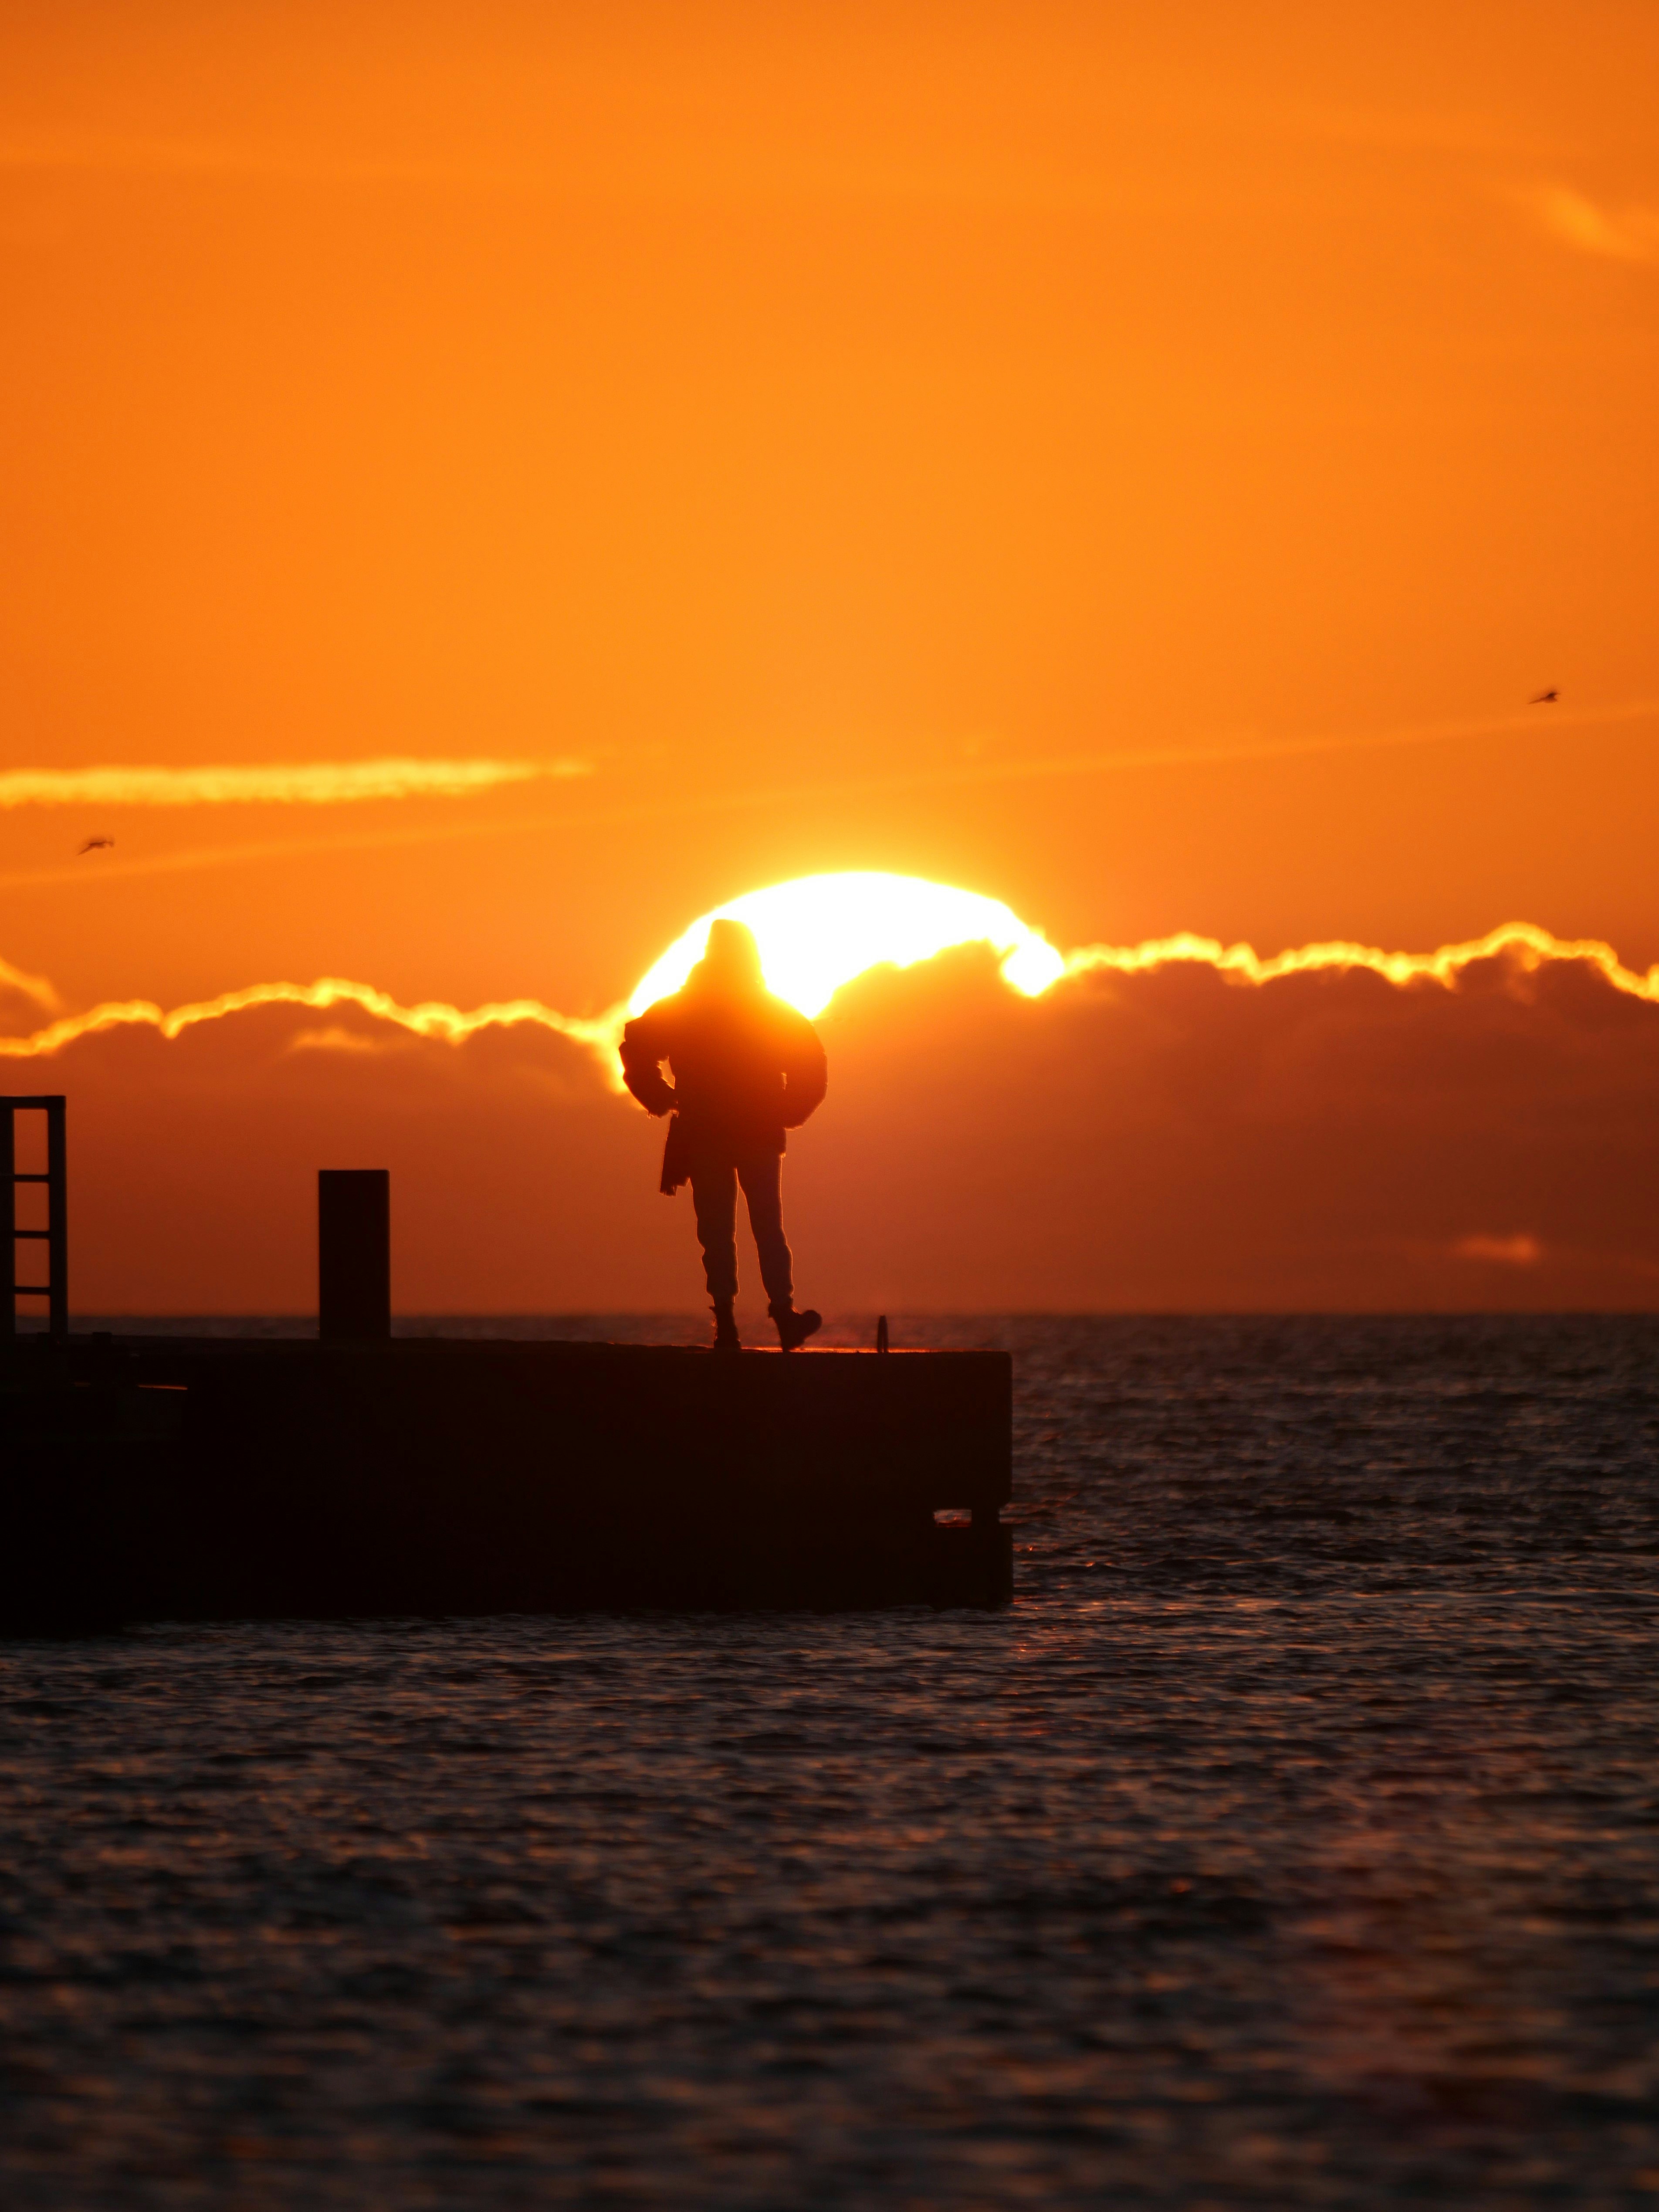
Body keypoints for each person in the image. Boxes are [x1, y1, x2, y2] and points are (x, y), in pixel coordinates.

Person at [620, 919, 827, 1352]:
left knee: (719, 1230)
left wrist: (661, 1096)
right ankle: (778, 1317)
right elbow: (811, 1063)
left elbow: (636, 1046)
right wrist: (787, 1110)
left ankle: (730, 1326)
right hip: (741, 1132)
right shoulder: (766, 1009)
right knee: (762, 1228)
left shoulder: (687, 1007)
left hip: (717, 1132)